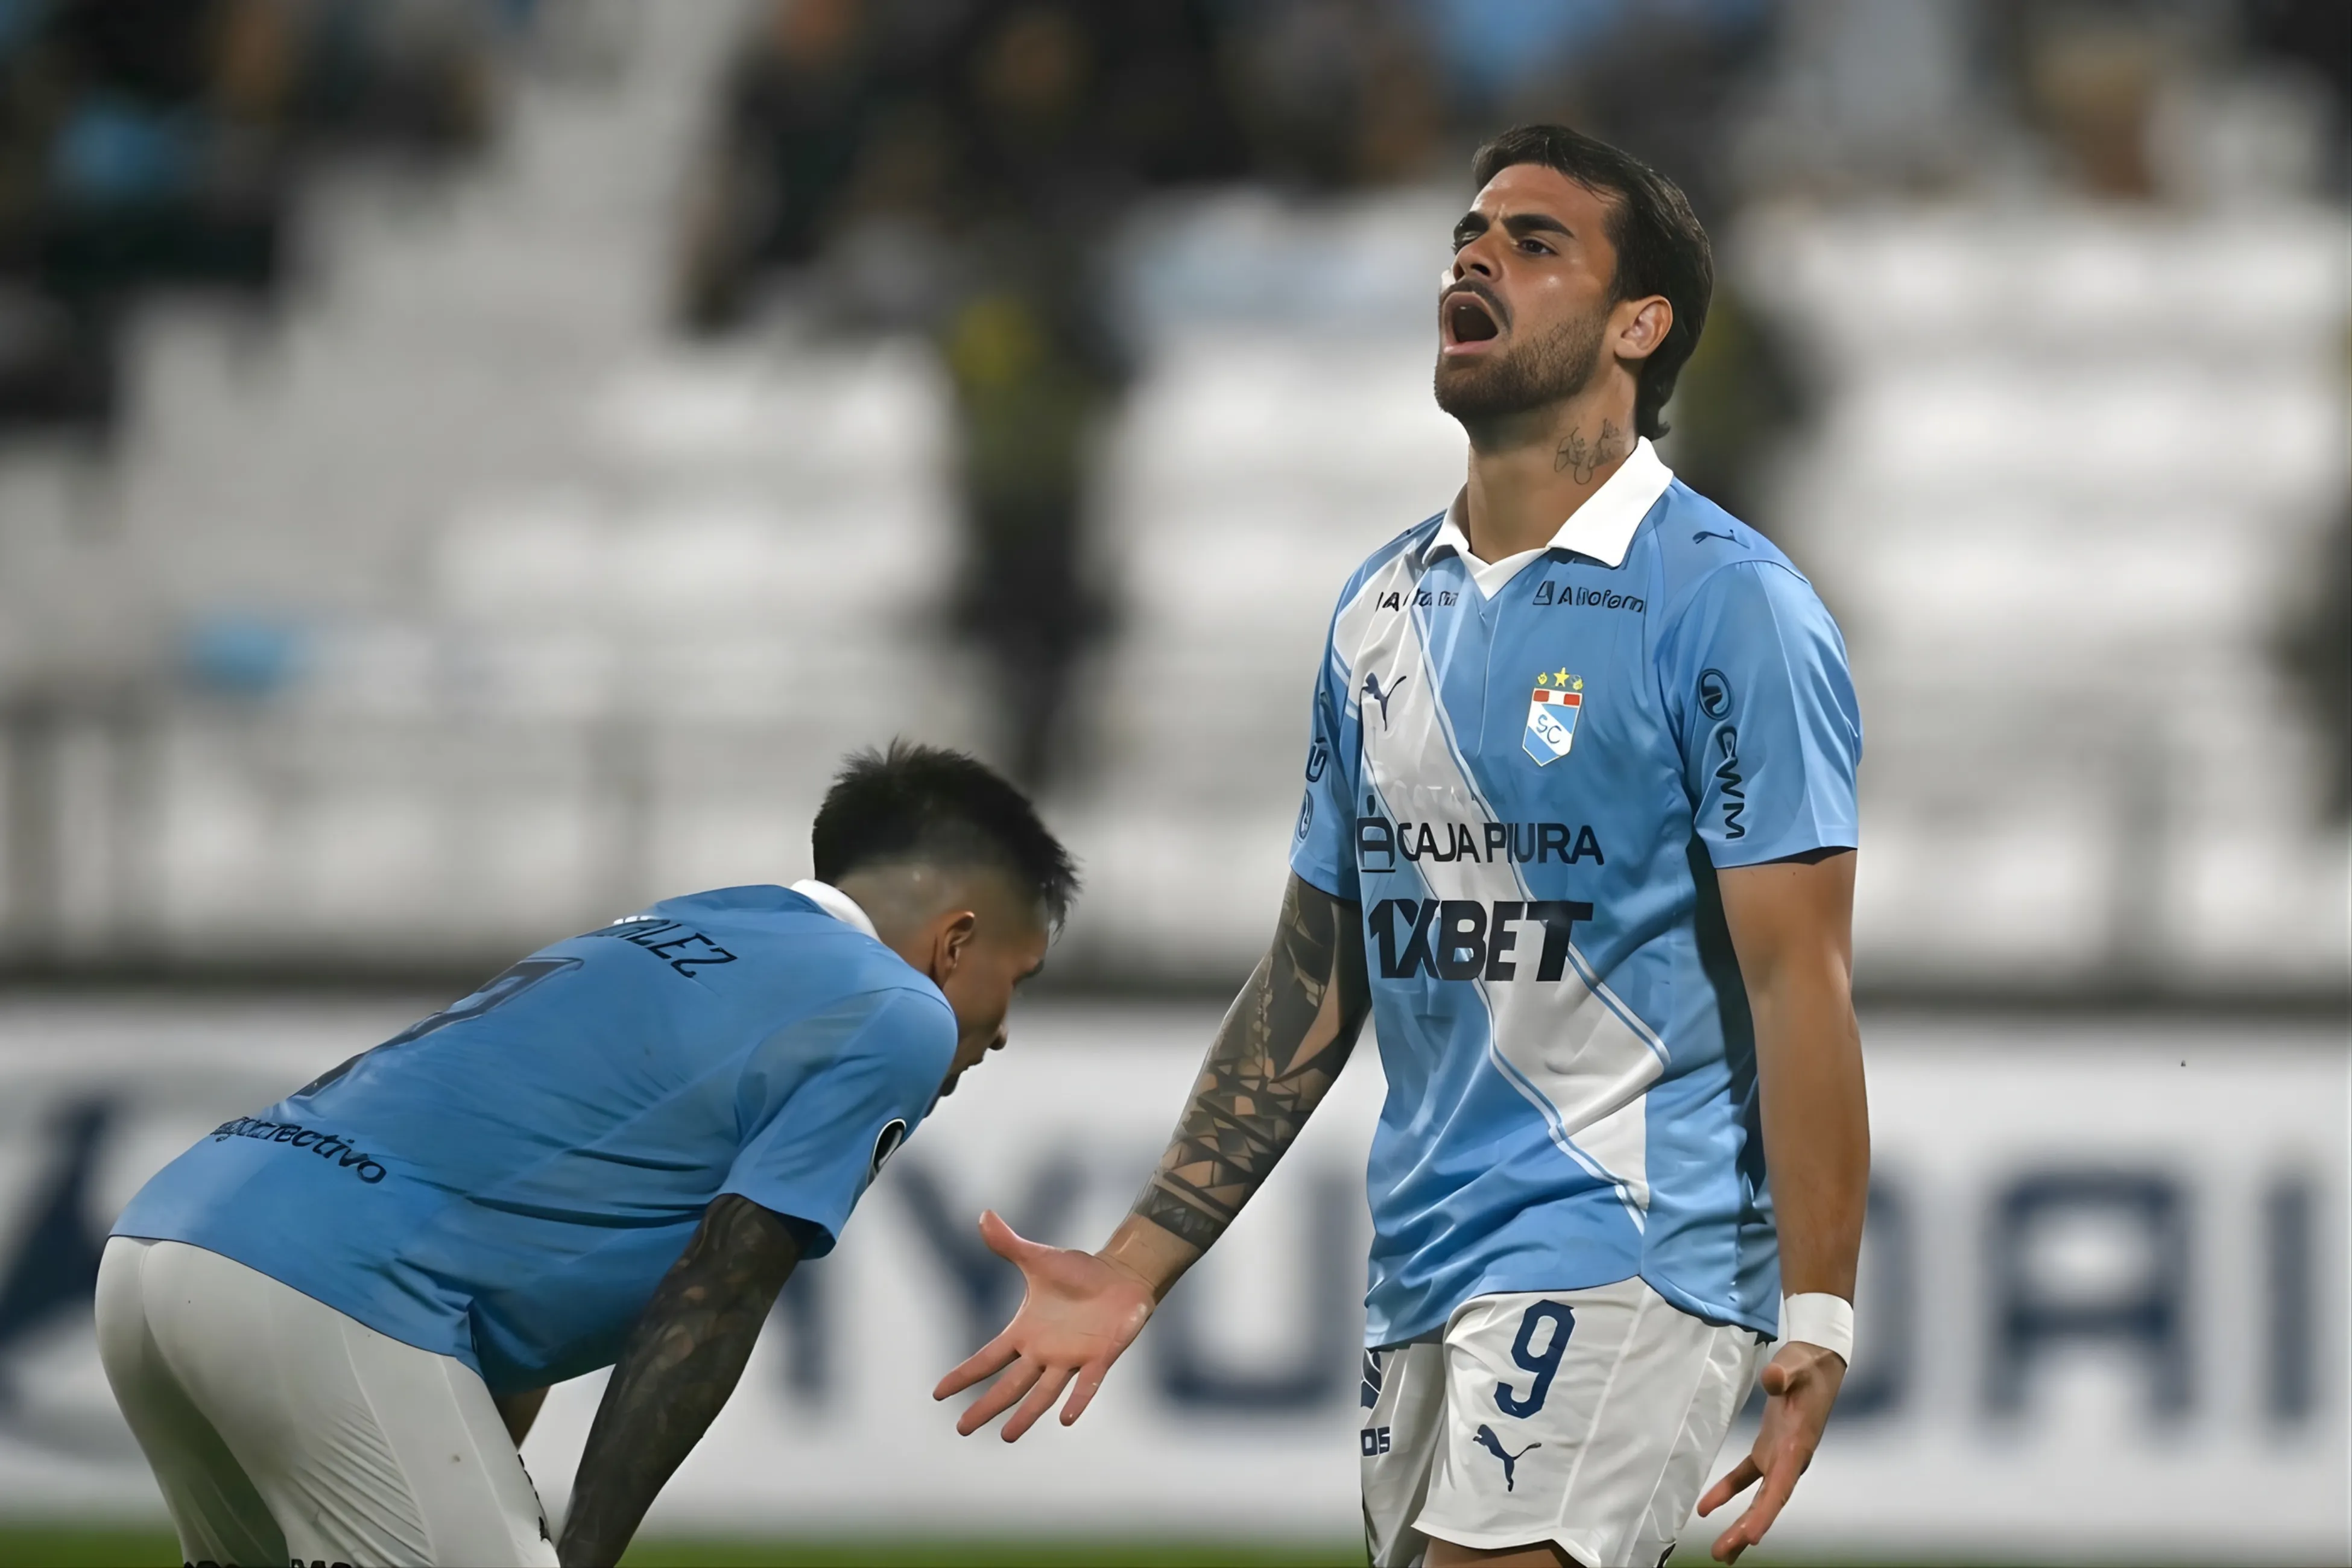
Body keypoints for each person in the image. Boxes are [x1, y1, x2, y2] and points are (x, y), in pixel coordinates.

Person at [935, 123, 1868, 1568]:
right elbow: (1317, 968)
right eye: (1467, 236)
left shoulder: (1728, 606)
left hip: (1635, 1237)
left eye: (1535, 241)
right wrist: (1136, 1262)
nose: (1476, 255)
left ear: (1642, 325)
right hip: (1428, 1258)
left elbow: (1800, 976)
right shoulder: (1379, 611)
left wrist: (1819, 1309)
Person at [100, 741, 1076, 1568]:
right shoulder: (897, 1011)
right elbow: (721, 1288)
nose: (999, 1033)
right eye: (1017, 979)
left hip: (169, 1243)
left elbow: (529, 1209)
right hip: (331, 1290)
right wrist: (583, 1555)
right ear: (958, 940)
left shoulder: (691, 921)